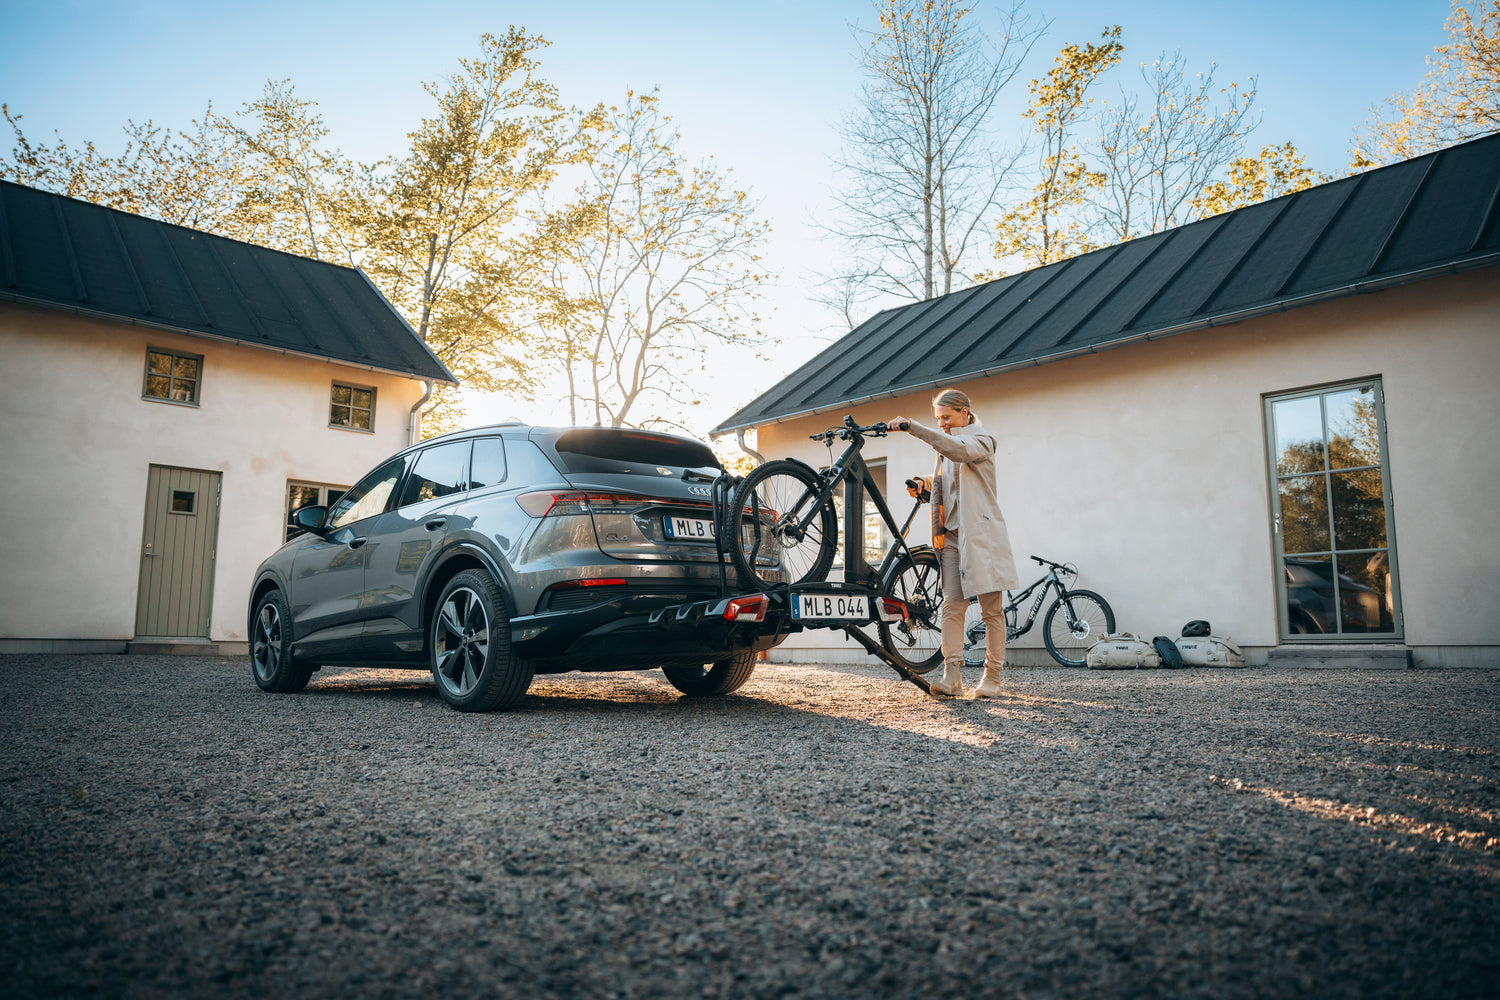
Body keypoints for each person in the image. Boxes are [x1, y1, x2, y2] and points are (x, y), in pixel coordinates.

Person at [888, 389, 1018, 699]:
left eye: (946, 417)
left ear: (964, 412)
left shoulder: (982, 440)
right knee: (951, 606)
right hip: (952, 539)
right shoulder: (948, 446)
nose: (943, 423)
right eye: (938, 419)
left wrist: (914, 428)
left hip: (981, 538)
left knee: (991, 611)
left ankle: (993, 677)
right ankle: (952, 675)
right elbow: (951, 478)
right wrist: (925, 481)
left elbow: (960, 453)